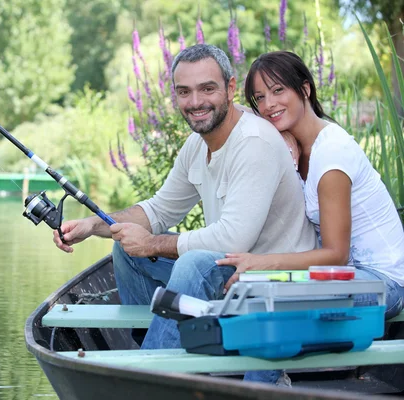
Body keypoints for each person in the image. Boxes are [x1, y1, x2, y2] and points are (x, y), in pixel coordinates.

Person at [53, 44, 317, 352]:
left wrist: (151, 244)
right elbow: (158, 211)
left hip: (276, 283)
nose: (195, 102)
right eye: (184, 92)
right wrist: (91, 225)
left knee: (194, 264)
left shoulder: (253, 143)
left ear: (231, 88)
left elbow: (233, 239)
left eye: (207, 89)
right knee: (126, 249)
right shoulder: (196, 145)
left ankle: (155, 367)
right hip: (233, 277)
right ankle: (159, 349)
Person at [214, 50, 404, 384]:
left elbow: (335, 254)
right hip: (346, 276)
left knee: (276, 300)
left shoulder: (331, 153)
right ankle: (263, 382)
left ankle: (264, 385)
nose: (269, 104)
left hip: (384, 282)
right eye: (259, 97)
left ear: (305, 89)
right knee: (260, 294)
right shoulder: (299, 149)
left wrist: (260, 264)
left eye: (277, 91)